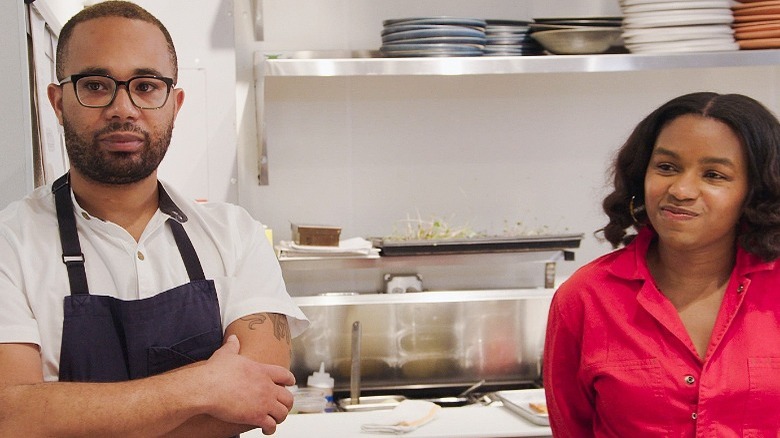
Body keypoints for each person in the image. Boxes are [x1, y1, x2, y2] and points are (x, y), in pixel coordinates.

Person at [0, 1, 309, 436]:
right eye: (94, 85)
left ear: (175, 104)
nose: (122, 108)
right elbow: (10, 415)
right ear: (57, 101)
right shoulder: (9, 244)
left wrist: (64, 414)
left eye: (145, 86)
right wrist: (201, 386)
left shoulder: (235, 235)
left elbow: (260, 401)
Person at [543, 92, 780, 436]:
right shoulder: (585, 298)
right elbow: (572, 428)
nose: (681, 190)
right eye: (666, 167)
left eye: (714, 175)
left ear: (755, 191)